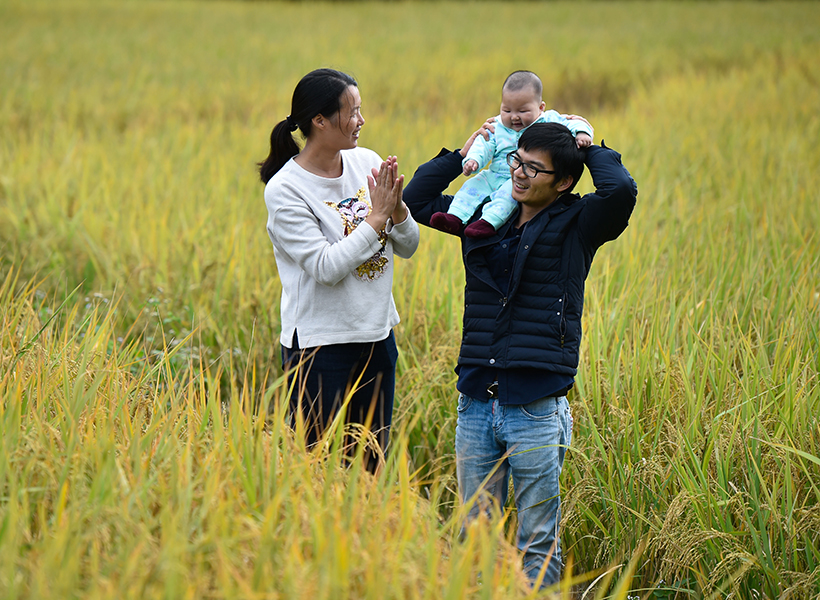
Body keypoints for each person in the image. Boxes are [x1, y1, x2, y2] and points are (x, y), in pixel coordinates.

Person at [403, 122, 636, 587]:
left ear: (563, 181)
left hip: (534, 406)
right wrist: (463, 155)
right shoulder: (488, 214)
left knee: (537, 540)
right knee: (477, 535)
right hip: (475, 400)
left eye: (534, 167)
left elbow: (620, 190)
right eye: (517, 161)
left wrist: (586, 148)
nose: (520, 174)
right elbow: (416, 200)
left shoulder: (578, 222)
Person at [259, 68, 420, 471]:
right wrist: (376, 217)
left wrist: (397, 211)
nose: (361, 121)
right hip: (319, 347)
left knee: (370, 465)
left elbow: (408, 246)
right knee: (315, 469)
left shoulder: (364, 162)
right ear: (319, 121)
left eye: (361, 110)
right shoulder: (285, 190)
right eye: (352, 112)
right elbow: (326, 267)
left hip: (376, 336)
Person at [430, 71, 594, 239]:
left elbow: (574, 121)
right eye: (506, 110)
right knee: (472, 187)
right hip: (494, 173)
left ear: (540, 108)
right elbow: (484, 144)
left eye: (523, 111)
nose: (514, 116)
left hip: (516, 178)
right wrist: (473, 160)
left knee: (506, 198)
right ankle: (454, 216)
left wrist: (582, 134)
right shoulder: (497, 125)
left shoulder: (548, 120)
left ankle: (488, 222)